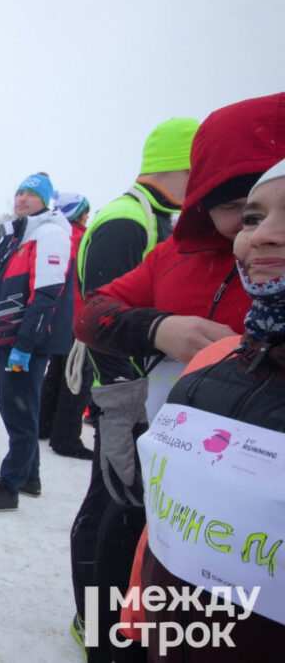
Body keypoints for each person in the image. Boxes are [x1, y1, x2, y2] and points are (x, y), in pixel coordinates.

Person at [73, 92, 285, 661]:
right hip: (156, 461)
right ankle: (101, 643)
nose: (256, 233)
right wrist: (157, 327)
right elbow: (91, 312)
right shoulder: (171, 254)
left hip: (250, 536)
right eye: (244, 211)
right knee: (112, 551)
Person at [123, 155, 285, 661]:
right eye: (253, 217)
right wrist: (137, 621)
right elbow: (168, 524)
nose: (263, 235)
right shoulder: (215, 359)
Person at [65, 116, 200, 657]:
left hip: (148, 396)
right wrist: (122, 397)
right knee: (111, 510)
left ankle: (107, 619)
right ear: (186, 164)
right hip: (127, 399)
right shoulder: (127, 218)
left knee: (119, 509)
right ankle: (92, 621)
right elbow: (100, 317)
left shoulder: (162, 216)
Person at [0, 172, 74, 512]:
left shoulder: (51, 234)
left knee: (19, 415)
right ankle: (29, 477)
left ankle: (9, 487)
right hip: (5, 339)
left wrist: (25, 346)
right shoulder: (17, 236)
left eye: (31, 194)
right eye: (19, 193)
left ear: (45, 200)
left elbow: (46, 295)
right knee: (20, 410)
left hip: (22, 343)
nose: (22, 199)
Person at [38, 192, 93, 458]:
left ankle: (43, 424)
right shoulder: (83, 239)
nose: (88, 216)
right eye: (85, 211)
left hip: (56, 318)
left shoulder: (54, 235)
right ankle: (66, 438)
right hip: (79, 317)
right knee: (77, 377)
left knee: (57, 371)